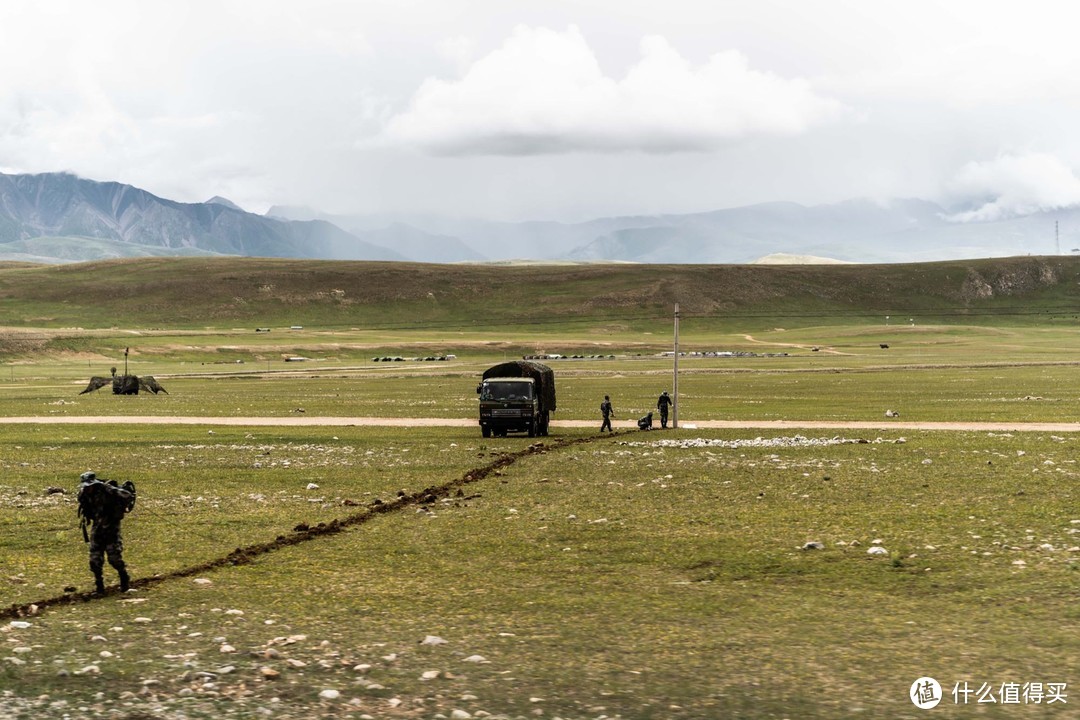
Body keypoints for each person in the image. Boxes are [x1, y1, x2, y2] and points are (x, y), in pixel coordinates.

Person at [77, 471, 136, 594]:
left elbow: (127, 495)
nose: (88, 489)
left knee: (114, 558)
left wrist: (111, 489)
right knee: (94, 560)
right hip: (97, 528)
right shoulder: (84, 495)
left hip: (111, 528)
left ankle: (124, 579)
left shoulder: (107, 490)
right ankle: (100, 587)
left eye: (90, 486)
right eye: (86, 487)